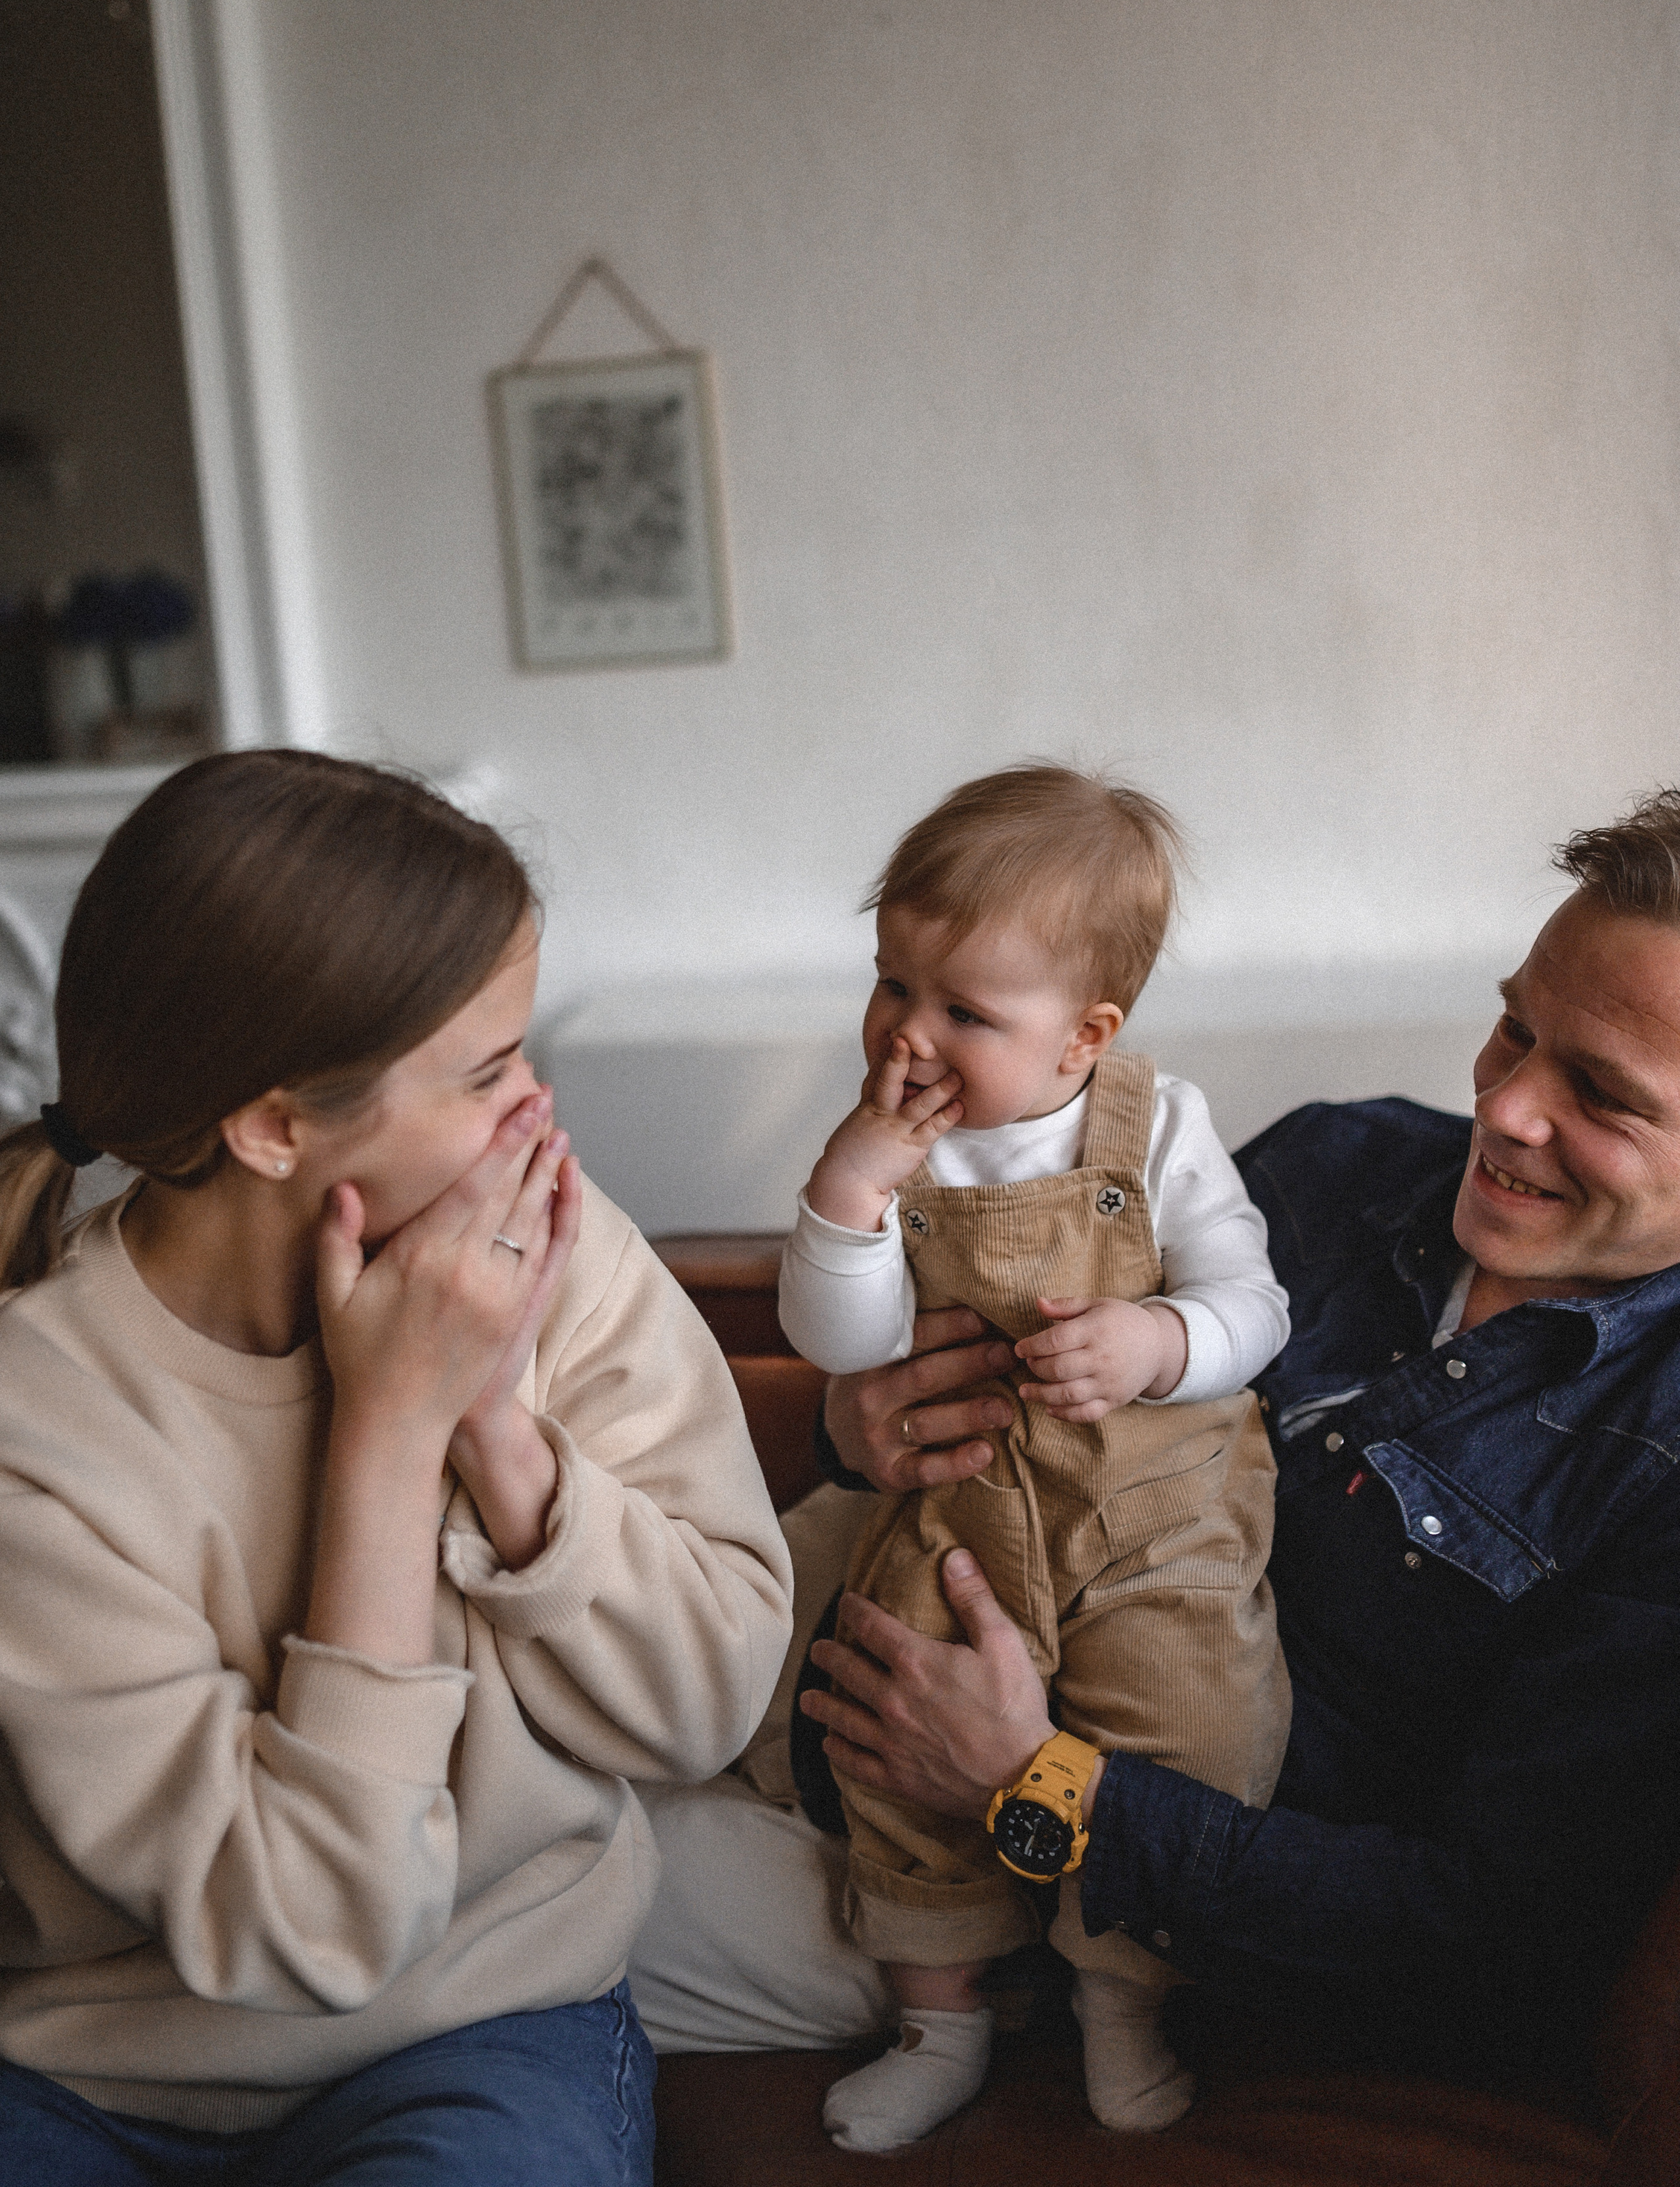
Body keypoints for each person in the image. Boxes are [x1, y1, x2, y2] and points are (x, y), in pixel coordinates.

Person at [630, 788, 1680, 2105]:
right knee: (491, 1727)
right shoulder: (1339, 1163)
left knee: (476, 1926)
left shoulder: (1655, 1468)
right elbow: (959, 1309)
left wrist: (1032, 1786)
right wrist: (854, 1421)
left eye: (1601, 1095)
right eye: (1515, 1028)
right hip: (820, 1622)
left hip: (991, 1897)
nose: (1506, 1106)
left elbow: (1484, 1936)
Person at [0, 751, 793, 2186]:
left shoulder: (555, 1248)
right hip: (87, 2074)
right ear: (273, 1125)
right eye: (487, 1071)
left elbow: (710, 1701)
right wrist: (384, 1435)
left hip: (486, 2028)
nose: (537, 1107)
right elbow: (310, 1923)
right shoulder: (36, 1426)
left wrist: (493, 1427)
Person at [773, 765, 1291, 2146]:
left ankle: (1121, 2002)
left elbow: (1254, 1304)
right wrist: (848, 1188)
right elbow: (842, 1338)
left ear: (1084, 1036)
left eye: (964, 1011)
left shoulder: (1156, 1125)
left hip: (1150, 1516)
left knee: (1191, 1724)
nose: (908, 1034)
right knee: (888, 1736)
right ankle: (938, 2022)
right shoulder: (892, 1150)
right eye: (891, 984)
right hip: (961, 1511)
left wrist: (1156, 1339)